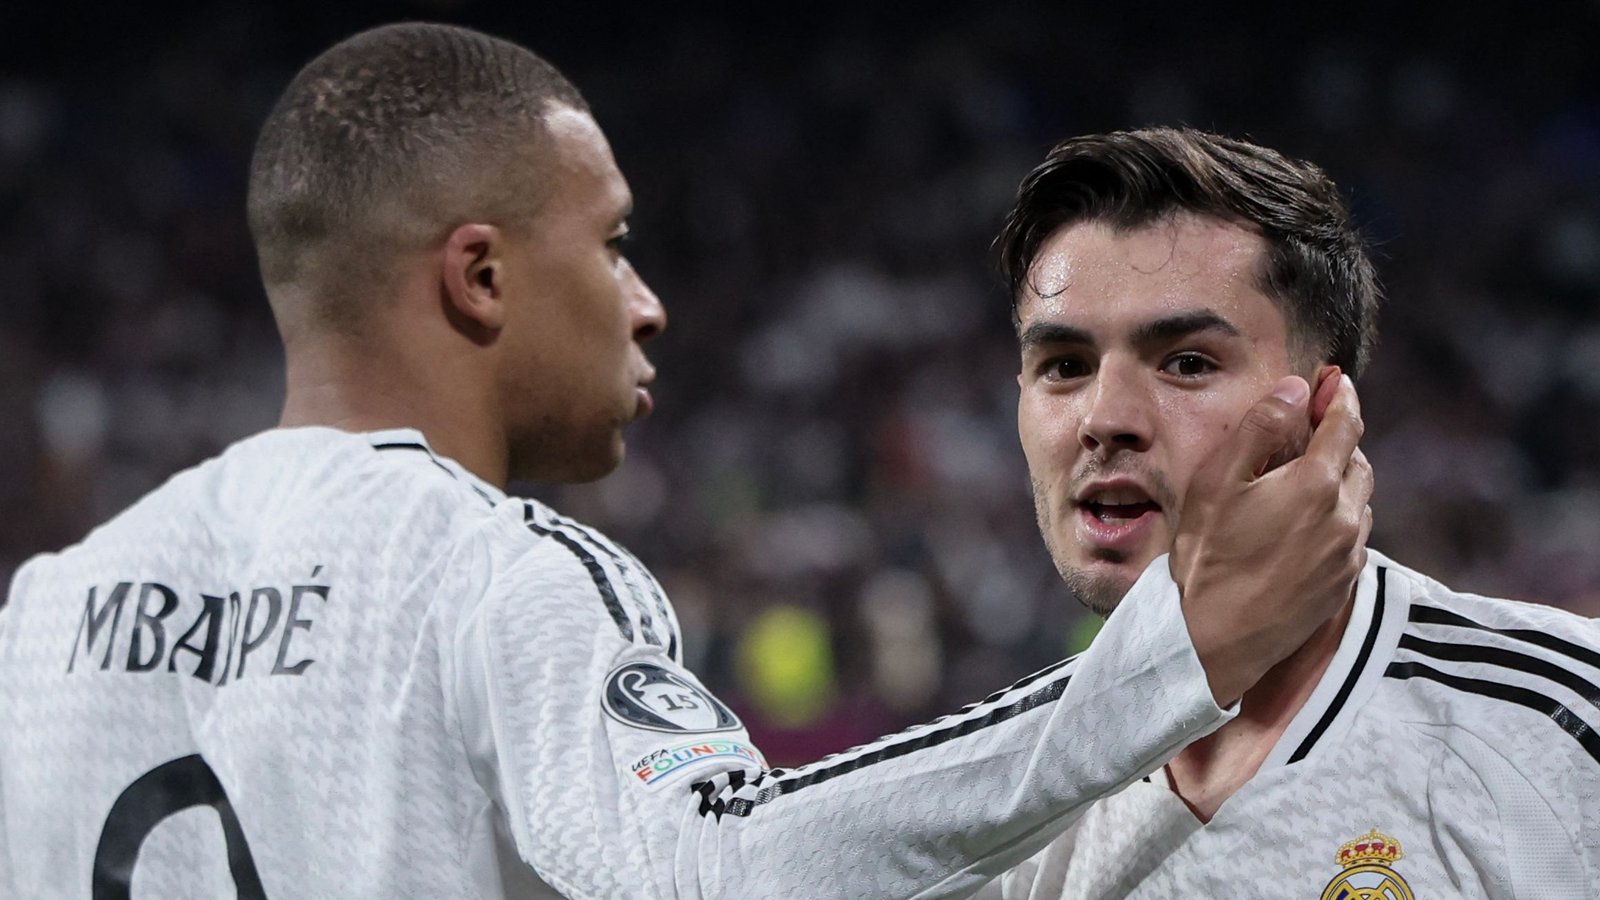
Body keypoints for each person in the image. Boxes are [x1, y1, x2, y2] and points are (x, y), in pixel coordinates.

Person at [0, 26, 1368, 899]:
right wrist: (1171, 660)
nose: (646, 300)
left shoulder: (49, 609)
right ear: (478, 277)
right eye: (608, 244)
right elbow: (728, 872)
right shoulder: (498, 580)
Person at [979, 127, 1600, 899]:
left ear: (1325, 413)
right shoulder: (981, 806)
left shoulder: (1563, 726)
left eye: (1187, 363)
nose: (1104, 418)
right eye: (1064, 367)